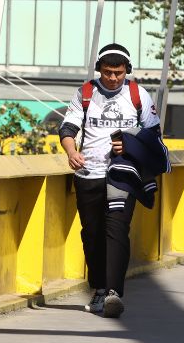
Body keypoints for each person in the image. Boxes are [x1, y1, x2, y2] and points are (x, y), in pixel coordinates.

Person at [58, 43, 162, 318]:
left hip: (122, 175)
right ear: (99, 70)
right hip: (88, 174)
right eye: (107, 72)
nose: (113, 78)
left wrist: (129, 143)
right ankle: (99, 289)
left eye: (118, 72)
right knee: (91, 234)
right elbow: (68, 127)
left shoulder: (139, 94)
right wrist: (71, 151)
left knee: (116, 230)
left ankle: (114, 292)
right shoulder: (86, 93)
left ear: (126, 70)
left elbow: (153, 133)